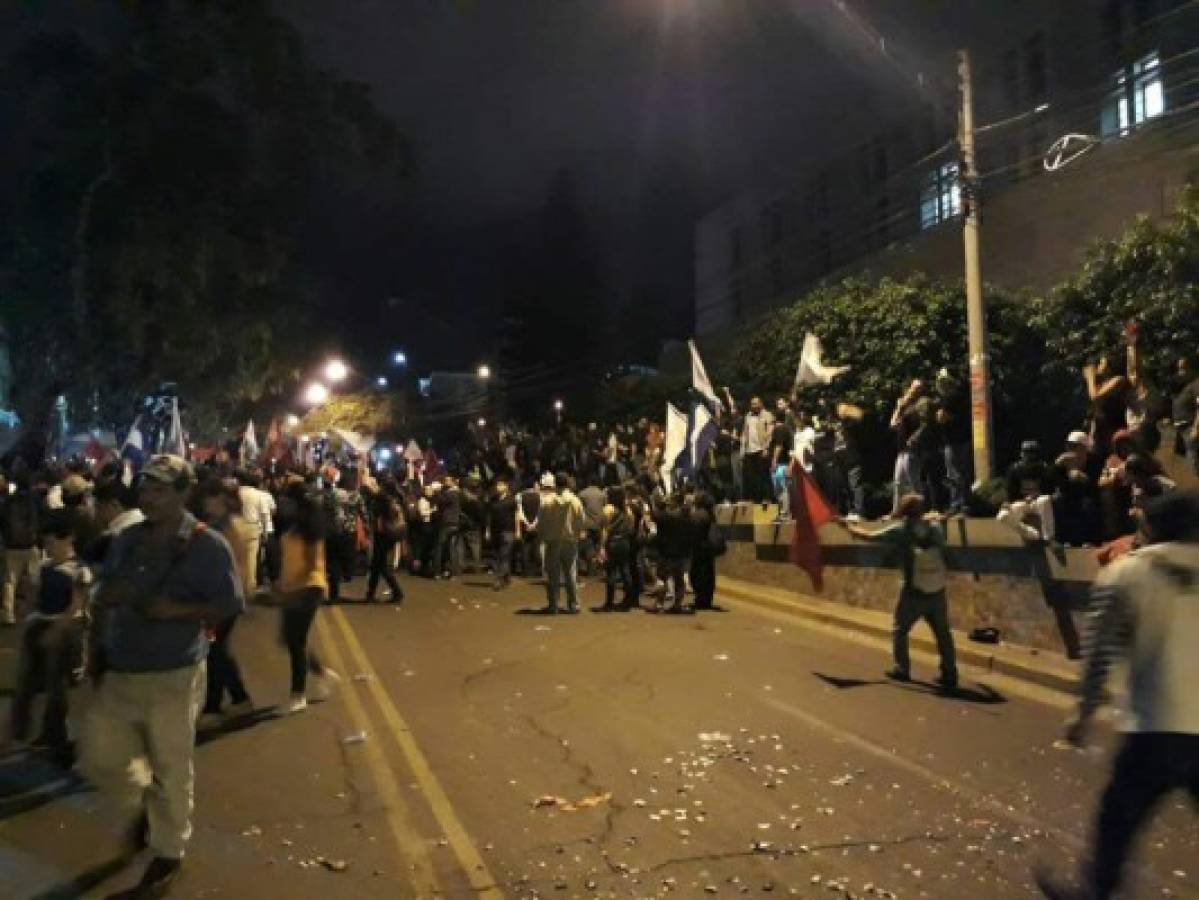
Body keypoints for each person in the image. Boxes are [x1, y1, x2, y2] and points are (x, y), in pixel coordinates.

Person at [82, 455, 244, 896]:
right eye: (145, 489)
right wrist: (97, 648)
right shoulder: (126, 537)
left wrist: (179, 611)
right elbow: (104, 593)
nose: (147, 497)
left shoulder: (208, 545)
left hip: (175, 672)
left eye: (159, 490)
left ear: (183, 493)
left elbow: (230, 604)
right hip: (121, 669)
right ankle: (148, 802)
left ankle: (169, 849)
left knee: (173, 766)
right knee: (100, 756)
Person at [1034, 491, 1199, 900]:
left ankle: (1094, 892)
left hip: (1156, 726)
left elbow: (1099, 654)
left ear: (1148, 527)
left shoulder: (1126, 574)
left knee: (1119, 818)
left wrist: (1083, 713)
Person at [842, 493, 958, 692]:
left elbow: (870, 536)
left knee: (900, 629)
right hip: (937, 589)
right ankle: (949, 673)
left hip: (913, 591)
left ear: (904, 512)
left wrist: (847, 527)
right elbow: (945, 551)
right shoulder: (935, 528)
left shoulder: (901, 530)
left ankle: (902, 668)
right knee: (943, 634)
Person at [7, 510, 91, 762]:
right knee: (26, 683)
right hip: (40, 625)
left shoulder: (78, 569)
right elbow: (34, 595)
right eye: (46, 543)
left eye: (53, 542)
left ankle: (55, 736)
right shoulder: (44, 566)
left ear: (69, 540)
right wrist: (26, 614)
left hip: (65, 630)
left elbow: (76, 605)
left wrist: (56, 629)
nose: (49, 548)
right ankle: (22, 734)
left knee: (57, 686)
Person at [193, 479, 254, 730]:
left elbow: (235, 568)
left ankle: (225, 703)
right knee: (216, 650)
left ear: (222, 501)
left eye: (211, 499)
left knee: (215, 651)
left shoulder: (229, 528)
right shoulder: (223, 525)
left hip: (224, 599)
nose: (206, 503)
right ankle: (225, 702)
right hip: (224, 598)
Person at [276, 487, 340, 713]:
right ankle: (322, 672)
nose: (281, 505)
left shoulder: (310, 530)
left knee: (295, 640)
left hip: (308, 588)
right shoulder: (293, 525)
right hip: (293, 587)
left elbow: (312, 565)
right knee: (290, 639)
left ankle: (298, 695)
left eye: (285, 501)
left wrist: (293, 591)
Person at [536, 472, 584, 614]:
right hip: (569, 541)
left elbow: (542, 522)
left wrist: (543, 537)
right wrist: (575, 534)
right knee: (571, 574)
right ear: (568, 483)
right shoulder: (575, 500)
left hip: (552, 541)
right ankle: (573, 605)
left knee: (553, 575)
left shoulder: (547, 501)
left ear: (555, 483)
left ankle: (553, 605)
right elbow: (580, 520)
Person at [2, 471, 41, 626]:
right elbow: (42, 518)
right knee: (34, 579)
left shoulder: (9, 501)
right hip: (31, 545)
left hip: (12, 546)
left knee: (10, 581)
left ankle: (8, 614)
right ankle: (35, 612)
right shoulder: (35, 500)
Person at [653, 491, 693, 614]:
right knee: (679, 580)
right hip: (681, 553)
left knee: (662, 578)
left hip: (666, 553)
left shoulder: (665, 517)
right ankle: (677, 605)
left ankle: (659, 604)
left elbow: (655, 518)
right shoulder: (686, 518)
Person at [365, 483, 405, 603]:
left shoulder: (381, 500)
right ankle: (370, 594)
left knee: (381, 566)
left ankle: (397, 592)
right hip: (389, 535)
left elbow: (378, 519)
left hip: (383, 535)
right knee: (377, 566)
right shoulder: (394, 499)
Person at [598, 485, 635, 611]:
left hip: (613, 542)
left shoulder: (608, 509)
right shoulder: (627, 510)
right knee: (625, 571)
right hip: (624, 542)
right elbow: (631, 526)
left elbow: (604, 530)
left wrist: (602, 547)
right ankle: (628, 601)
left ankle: (609, 603)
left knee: (611, 572)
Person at [689, 491, 724, 611]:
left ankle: (701, 599)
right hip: (708, 549)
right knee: (708, 574)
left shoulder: (698, 515)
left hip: (700, 549)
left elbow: (694, 532)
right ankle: (706, 599)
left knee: (698, 574)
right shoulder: (709, 514)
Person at [740, 397, 773, 503]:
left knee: (763, 475)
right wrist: (743, 448)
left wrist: (766, 447)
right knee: (751, 476)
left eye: (756, 404)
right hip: (750, 449)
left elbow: (770, 433)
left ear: (761, 404)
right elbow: (745, 432)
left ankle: (766, 498)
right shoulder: (748, 416)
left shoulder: (767, 415)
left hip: (761, 448)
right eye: (752, 404)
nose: (754, 406)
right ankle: (754, 498)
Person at [487, 477, 518, 590]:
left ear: (506, 486)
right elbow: (489, 516)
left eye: (500, 485)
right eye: (497, 485)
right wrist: (488, 530)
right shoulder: (493, 500)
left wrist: (517, 531)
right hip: (495, 531)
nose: (498, 487)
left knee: (504, 555)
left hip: (508, 530)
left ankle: (498, 580)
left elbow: (516, 515)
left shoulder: (511, 500)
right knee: (497, 555)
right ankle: (506, 577)